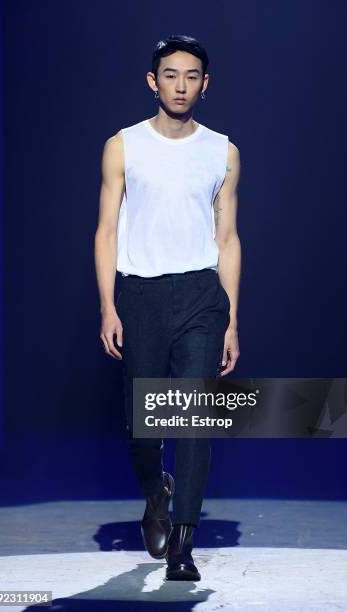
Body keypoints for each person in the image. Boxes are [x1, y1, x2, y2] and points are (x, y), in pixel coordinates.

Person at [94, 33, 241, 581]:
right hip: (141, 294)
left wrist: (232, 318)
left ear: (206, 84)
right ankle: (156, 495)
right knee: (143, 429)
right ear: (153, 81)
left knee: (196, 420)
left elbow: (228, 238)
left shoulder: (223, 151)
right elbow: (107, 229)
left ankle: (183, 544)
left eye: (192, 76)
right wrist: (109, 305)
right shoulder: (123, 145)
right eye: (171, 75)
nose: (181, 85)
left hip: (202, 296)